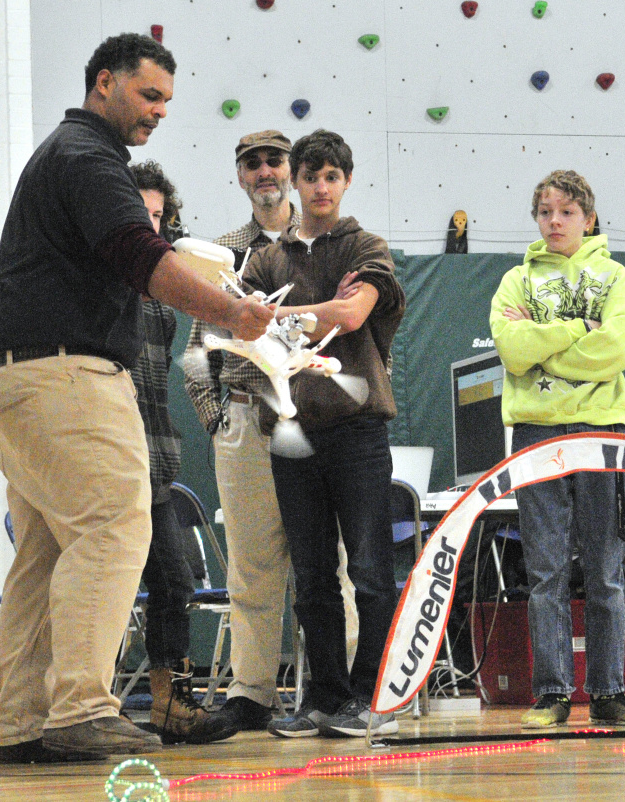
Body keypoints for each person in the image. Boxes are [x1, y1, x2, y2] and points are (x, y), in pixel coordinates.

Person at [0, 33, 274, 765]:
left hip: (12, 377)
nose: (160, 112)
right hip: (64, 373)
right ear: (103, 82)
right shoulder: (89, 157)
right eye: (149, 95)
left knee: (46, 551)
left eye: (168, 100)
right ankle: (81, 708)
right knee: (113, 524)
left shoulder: (62, 157)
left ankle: (21, 721)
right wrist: (234, 315)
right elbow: (143, 258)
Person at [242, 129, 405, 738]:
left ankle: (371, 694)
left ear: (346, 181)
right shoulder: (266, 258)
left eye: (331, 176)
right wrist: (312, 315)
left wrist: (278, 316)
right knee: (310, 575)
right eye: (310, 176)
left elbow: (354, 314)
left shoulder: (366, 245)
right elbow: (246, 330)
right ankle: (324, 698)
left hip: (358, 427)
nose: (320, 187)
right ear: (295, 182)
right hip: (291, 430)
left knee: (368, 569)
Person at [489, 170, 625, 729]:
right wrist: (576, 327)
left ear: (588, 217)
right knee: (545, 571)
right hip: (535, 431)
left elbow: (616, 350)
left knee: (607, 569)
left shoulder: (615, 276)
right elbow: (512, 352)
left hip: (601, 428)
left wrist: (546, 343)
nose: (554, 221)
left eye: (565, 212)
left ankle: (610, 692)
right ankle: (552, 693)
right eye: (544, 212)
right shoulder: (515, 280)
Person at [182, 130, 300, 732]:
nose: (263, 172)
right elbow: (197, 349)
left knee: (330, 564)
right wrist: (218, 419)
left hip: (312, 426)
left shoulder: (326, 243)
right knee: (250, 566)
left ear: (293, 169)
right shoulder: (220, 252)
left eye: (273, 161)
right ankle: (251, 691)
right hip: (243, 420)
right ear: (240, 176)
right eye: (251, 164)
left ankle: (347, 690)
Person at [129, 160, 238, 745]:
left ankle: (170, 703)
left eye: (158, 216)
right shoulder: (105, 276)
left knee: (176, 582)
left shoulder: (161, 284)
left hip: (157, 457)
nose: (150, 225)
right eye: (139, 214)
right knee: (130, 583)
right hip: (117, 453)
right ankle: (88, 702)